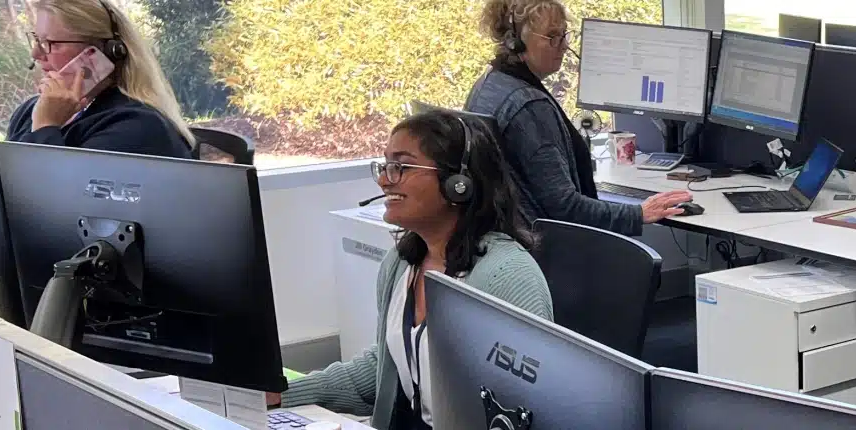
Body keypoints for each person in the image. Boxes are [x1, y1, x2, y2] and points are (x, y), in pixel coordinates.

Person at [274, 110, 550, 429]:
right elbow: (383, 369)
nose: (384, 180)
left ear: (458, 184)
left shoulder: (509, 276)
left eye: (401, 167)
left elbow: (527, 410)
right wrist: (282, 394)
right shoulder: (401, 264)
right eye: (384, 166)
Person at [466, 0, 692, 237]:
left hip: (506, 242)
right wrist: (638, 213)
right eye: (552, 37)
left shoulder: (490, 83)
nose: (564, 46)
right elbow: (566, 208)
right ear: (515, 42)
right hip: (542, 246)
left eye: (564, 35)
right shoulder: (529, 106)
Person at [9, 0, 194, 159]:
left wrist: (45, 127)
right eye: (37, 40)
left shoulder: (137, 126)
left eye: (51, 43)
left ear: (98, 53)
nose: (36, 53)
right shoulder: (29, 112)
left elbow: (57, 187)